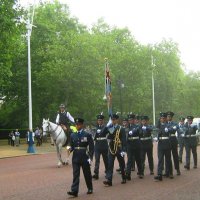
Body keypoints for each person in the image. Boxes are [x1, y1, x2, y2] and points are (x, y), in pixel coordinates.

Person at [67, 118, 94, 197]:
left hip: (84, 156)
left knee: (87, 174)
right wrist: (69, 149)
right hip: (75, 157)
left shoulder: (87, 134)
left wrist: (90, 157)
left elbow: (91, 147)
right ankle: (74, 191)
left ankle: (90, 188)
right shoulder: (73, 135)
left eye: (78, 124)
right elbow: (72, 146)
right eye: (76, 124)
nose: (77, 126)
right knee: (75, 174)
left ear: (82, 125)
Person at [103, 113, 126, 186]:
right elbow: (102, 133)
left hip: (119, 148)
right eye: (112, 120)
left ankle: (123, 177)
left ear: (117, 120)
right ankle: (109, 180)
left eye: (114, 120)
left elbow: (123, 140)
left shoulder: (121, 128)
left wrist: (123, 150)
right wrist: (107, 126)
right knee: (110, 164)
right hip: (111, 147)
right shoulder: (109, 127)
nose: (113, 121)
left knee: (121, 164)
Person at [154, 112, 172, 181]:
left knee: (168, 159)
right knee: (160, 159)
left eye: (164, 118)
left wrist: (168, 129)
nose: (162, 119)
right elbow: (155, 130)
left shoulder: (168, 125)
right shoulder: (158, 125)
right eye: (161, 118)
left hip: (167, 143)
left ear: (165, 119)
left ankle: (170, 173)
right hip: (160, 144)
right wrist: (156, 137)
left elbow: (172, 129)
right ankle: (159, 174)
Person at [126, 114, 143, 180]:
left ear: (133, 120)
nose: (130, 121)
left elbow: (140, 132)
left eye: (131, 119)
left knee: (138, 159)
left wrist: (134, 131)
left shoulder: (137, 126)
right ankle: (128, 174)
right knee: (129, 159)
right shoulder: (126, 127)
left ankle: (141, 172)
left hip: (136, 144)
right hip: (129, 144)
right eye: (129, 120)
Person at [93, 114, 109, 180]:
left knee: (106, 160)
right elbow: (94, 137)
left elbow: (110, 132)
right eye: (98, 120)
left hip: (104, 145)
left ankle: (108, 172)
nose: (99, 121)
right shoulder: (96, 127)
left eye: (100, 120)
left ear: (103, 121)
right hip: (97, 145)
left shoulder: (105, 127)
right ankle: (96, 173)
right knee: (97, 160)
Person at [166, 111, 181, 176]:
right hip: (166, 140)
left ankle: (177, 169)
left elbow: (177, 128)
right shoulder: (165, 123)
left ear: (172, 117)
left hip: (173, 140)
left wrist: (169, 129)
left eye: (170, 116)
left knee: (175, 156)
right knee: (167, 156)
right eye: (168, 116)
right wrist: (172, 128)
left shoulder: (175, 123)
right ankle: (169, 171)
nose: (168, 117)